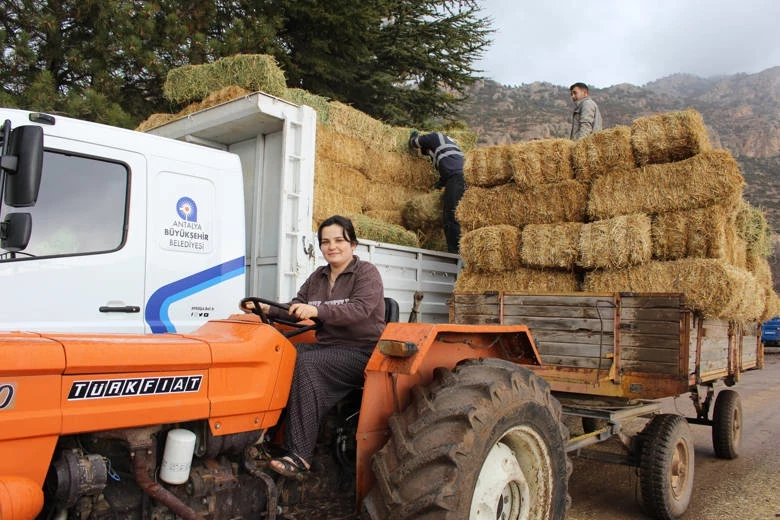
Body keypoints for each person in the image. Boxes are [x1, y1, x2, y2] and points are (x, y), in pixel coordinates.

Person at [245, 215, 386, 477]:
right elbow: (297, 307)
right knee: (283, 356)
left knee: (307, 363)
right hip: (327, 348)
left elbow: (360, 310)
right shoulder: (318, 276)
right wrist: (267, 308)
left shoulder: (367, 273)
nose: (332, 247)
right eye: (325, 242)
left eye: (339, 240)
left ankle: (299, 455)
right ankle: (262, 437)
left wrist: (318, 310)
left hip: (362, 352)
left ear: (352, 244)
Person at [408, 131, 465, 254]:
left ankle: (455, 252)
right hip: (462, 179)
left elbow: (414, 142)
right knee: (459, 215)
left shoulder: (434, 137)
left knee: (451, 215)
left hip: (457, 179)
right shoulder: (449, 148)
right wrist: (438, 185)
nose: (428, 155)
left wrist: (413, 139)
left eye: (427, 152)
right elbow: (447, 172)